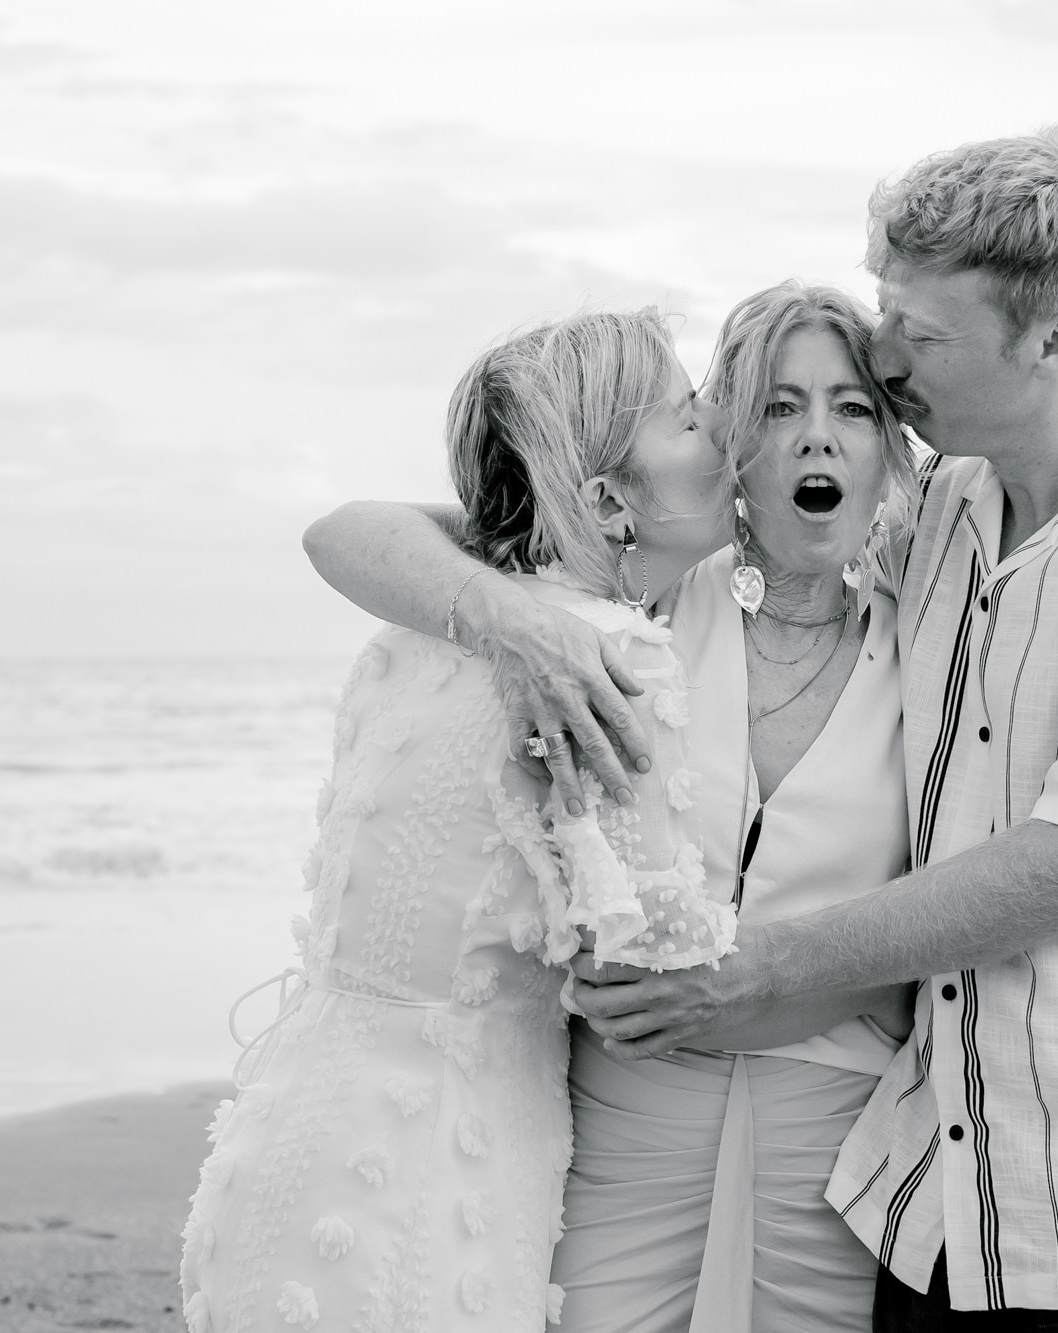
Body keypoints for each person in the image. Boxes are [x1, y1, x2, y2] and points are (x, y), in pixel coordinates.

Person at [311, 127, 1058, 1330]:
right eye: (788, 401)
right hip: (880, 1183)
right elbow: (371, 532)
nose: (881, 375)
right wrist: (510, 623)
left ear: (1052, 341)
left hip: (1050, 1180)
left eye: (897, 359)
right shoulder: (868, 541)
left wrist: (757, 980)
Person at [303, 281, 926, 1332]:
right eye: (777, 407)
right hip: (623, 1119)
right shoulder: (632, 597)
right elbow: (348, 534)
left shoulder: (937, 640)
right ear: (727, 443)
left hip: (843, 1131)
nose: (815, 436)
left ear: (887, 447)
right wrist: (510, 623)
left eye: (851, 407)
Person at [179, 308, 748, 1333]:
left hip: (291, 1124)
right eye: (689, 417)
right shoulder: (616, 660)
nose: (724, 432)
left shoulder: (409, 633)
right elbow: (647, 957)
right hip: (444, 1152)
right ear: (610, 500)